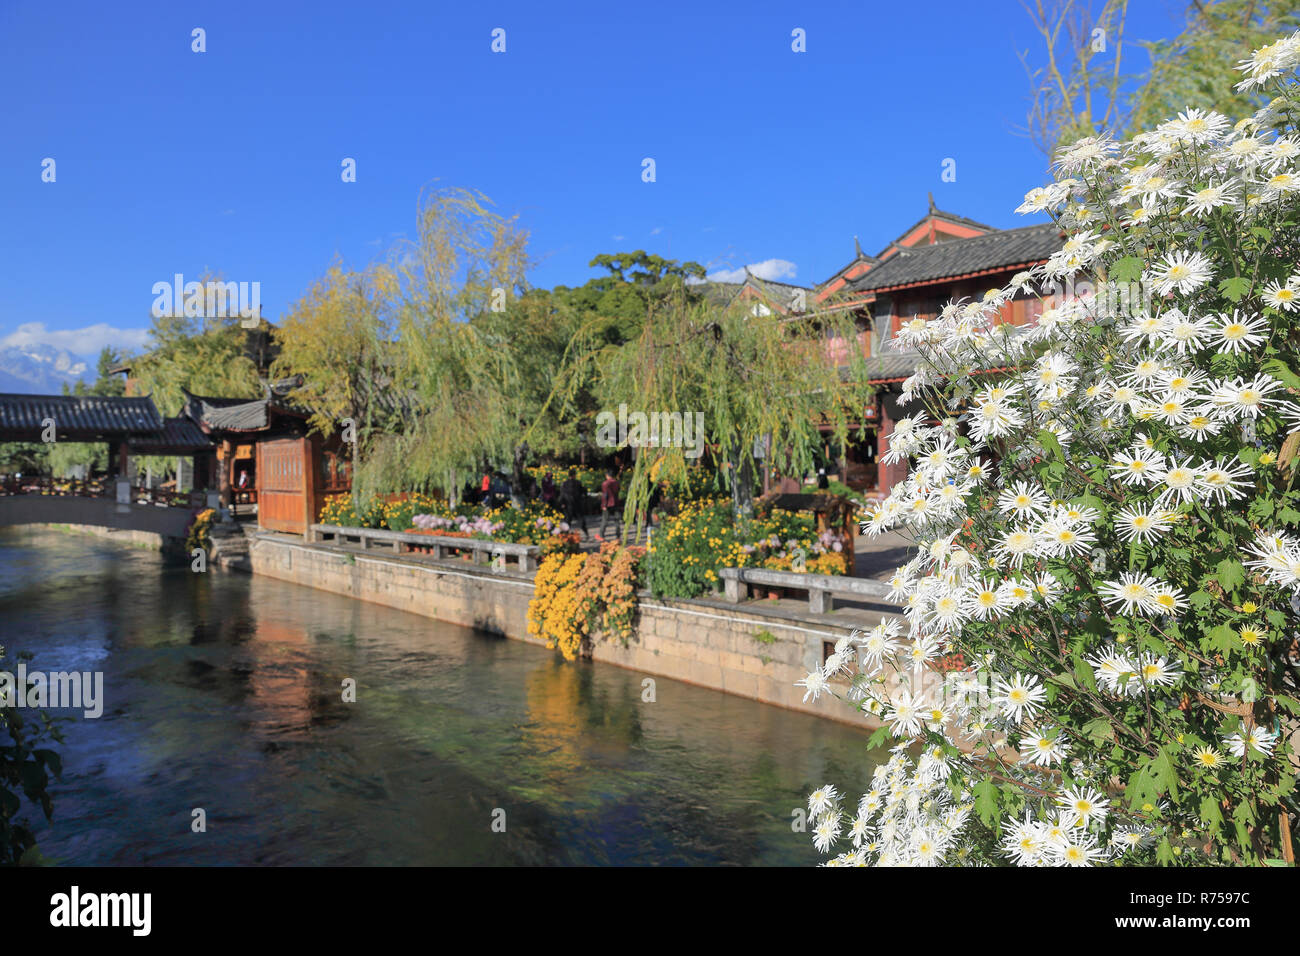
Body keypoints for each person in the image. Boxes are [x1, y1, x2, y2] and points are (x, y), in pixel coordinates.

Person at [559, 468, 586, 535]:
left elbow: (562, 494)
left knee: (568, 520)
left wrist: (562, 503)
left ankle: (565, 533)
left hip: (568, 504)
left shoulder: (564, 483)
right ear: (574, 475)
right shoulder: (578, 483)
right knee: (581, 519)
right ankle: (586, 532)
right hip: (577, 504)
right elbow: (583, 492)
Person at [598, 469, 620, 540]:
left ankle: (601, 535)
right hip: (616, 503)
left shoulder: (605, 483)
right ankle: (618, 536)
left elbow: (605, 495)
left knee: (605, 519)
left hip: (608, 504)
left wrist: (603, 505)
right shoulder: (616, 482)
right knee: (617, 520)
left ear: (607, 475)